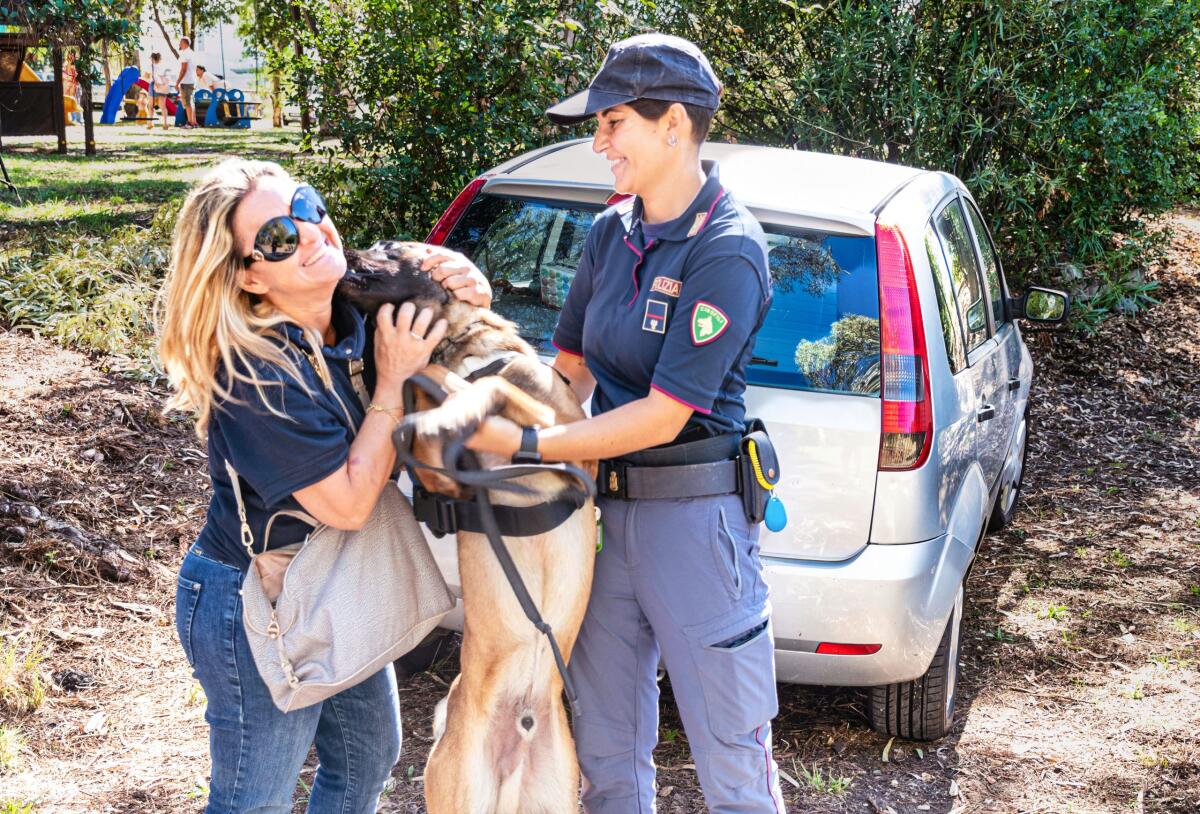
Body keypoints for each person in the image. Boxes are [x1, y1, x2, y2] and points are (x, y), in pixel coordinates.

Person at [467, 32, 787, 814]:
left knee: (735, 770)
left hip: (697, 529)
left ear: (674, 125)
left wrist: (530, 444)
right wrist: (479, 377)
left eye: (613, 123)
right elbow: (569, 370)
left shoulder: (728, 249)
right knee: (608, 760)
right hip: (602, 523)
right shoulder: (611, 233)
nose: (598, 142)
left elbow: (662, 413)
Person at [157, 158, 491, 813]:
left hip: (334, 579)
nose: (313, 233)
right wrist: (392, 381)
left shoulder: (349, 304)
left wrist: (470, 292)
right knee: (255, 798)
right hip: (254, 601)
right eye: (281, 236)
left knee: (367, 760)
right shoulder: (251, 377)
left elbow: (449, 333)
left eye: (308, 207)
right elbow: (345, 504)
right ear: (249, 275)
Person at [177, 36, 198, 128]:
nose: (179, 44)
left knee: (187, 103)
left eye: (180, 42)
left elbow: (183, 69)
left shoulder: (184, 54)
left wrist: (177, 82)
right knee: (191, 102)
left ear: (184, 43)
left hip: (186, 81)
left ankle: (189, 123)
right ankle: (194, 122)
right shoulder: (192, 53)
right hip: (192, 80)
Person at [148, 52, 171, 130]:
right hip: (163, 86)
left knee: (151, 106)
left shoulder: (152, 66)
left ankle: (150, 123)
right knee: (163, 106)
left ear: (152, 58)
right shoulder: (163, 66)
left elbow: (150, 76)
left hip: (154, 85)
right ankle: (165, 123)